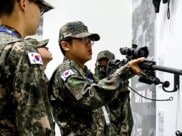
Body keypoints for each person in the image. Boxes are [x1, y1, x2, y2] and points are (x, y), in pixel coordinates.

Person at [48, 21, 144, 136]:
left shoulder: (86, 74)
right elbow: (90, 97)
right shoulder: (65, 72)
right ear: (65, 45)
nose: (89, 44)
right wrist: (124, 72)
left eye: (90, 40)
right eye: (83, 40)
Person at [0, 0, 54, 135]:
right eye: (40, 9)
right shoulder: (22, 50)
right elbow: (34, 124)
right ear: (23, 3)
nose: (40, 16)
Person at [94, 50, 133, 136]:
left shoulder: (120, 89)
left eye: (105, 65)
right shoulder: (92, 88)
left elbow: (127, 121)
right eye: (100, 65)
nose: (103, 68)